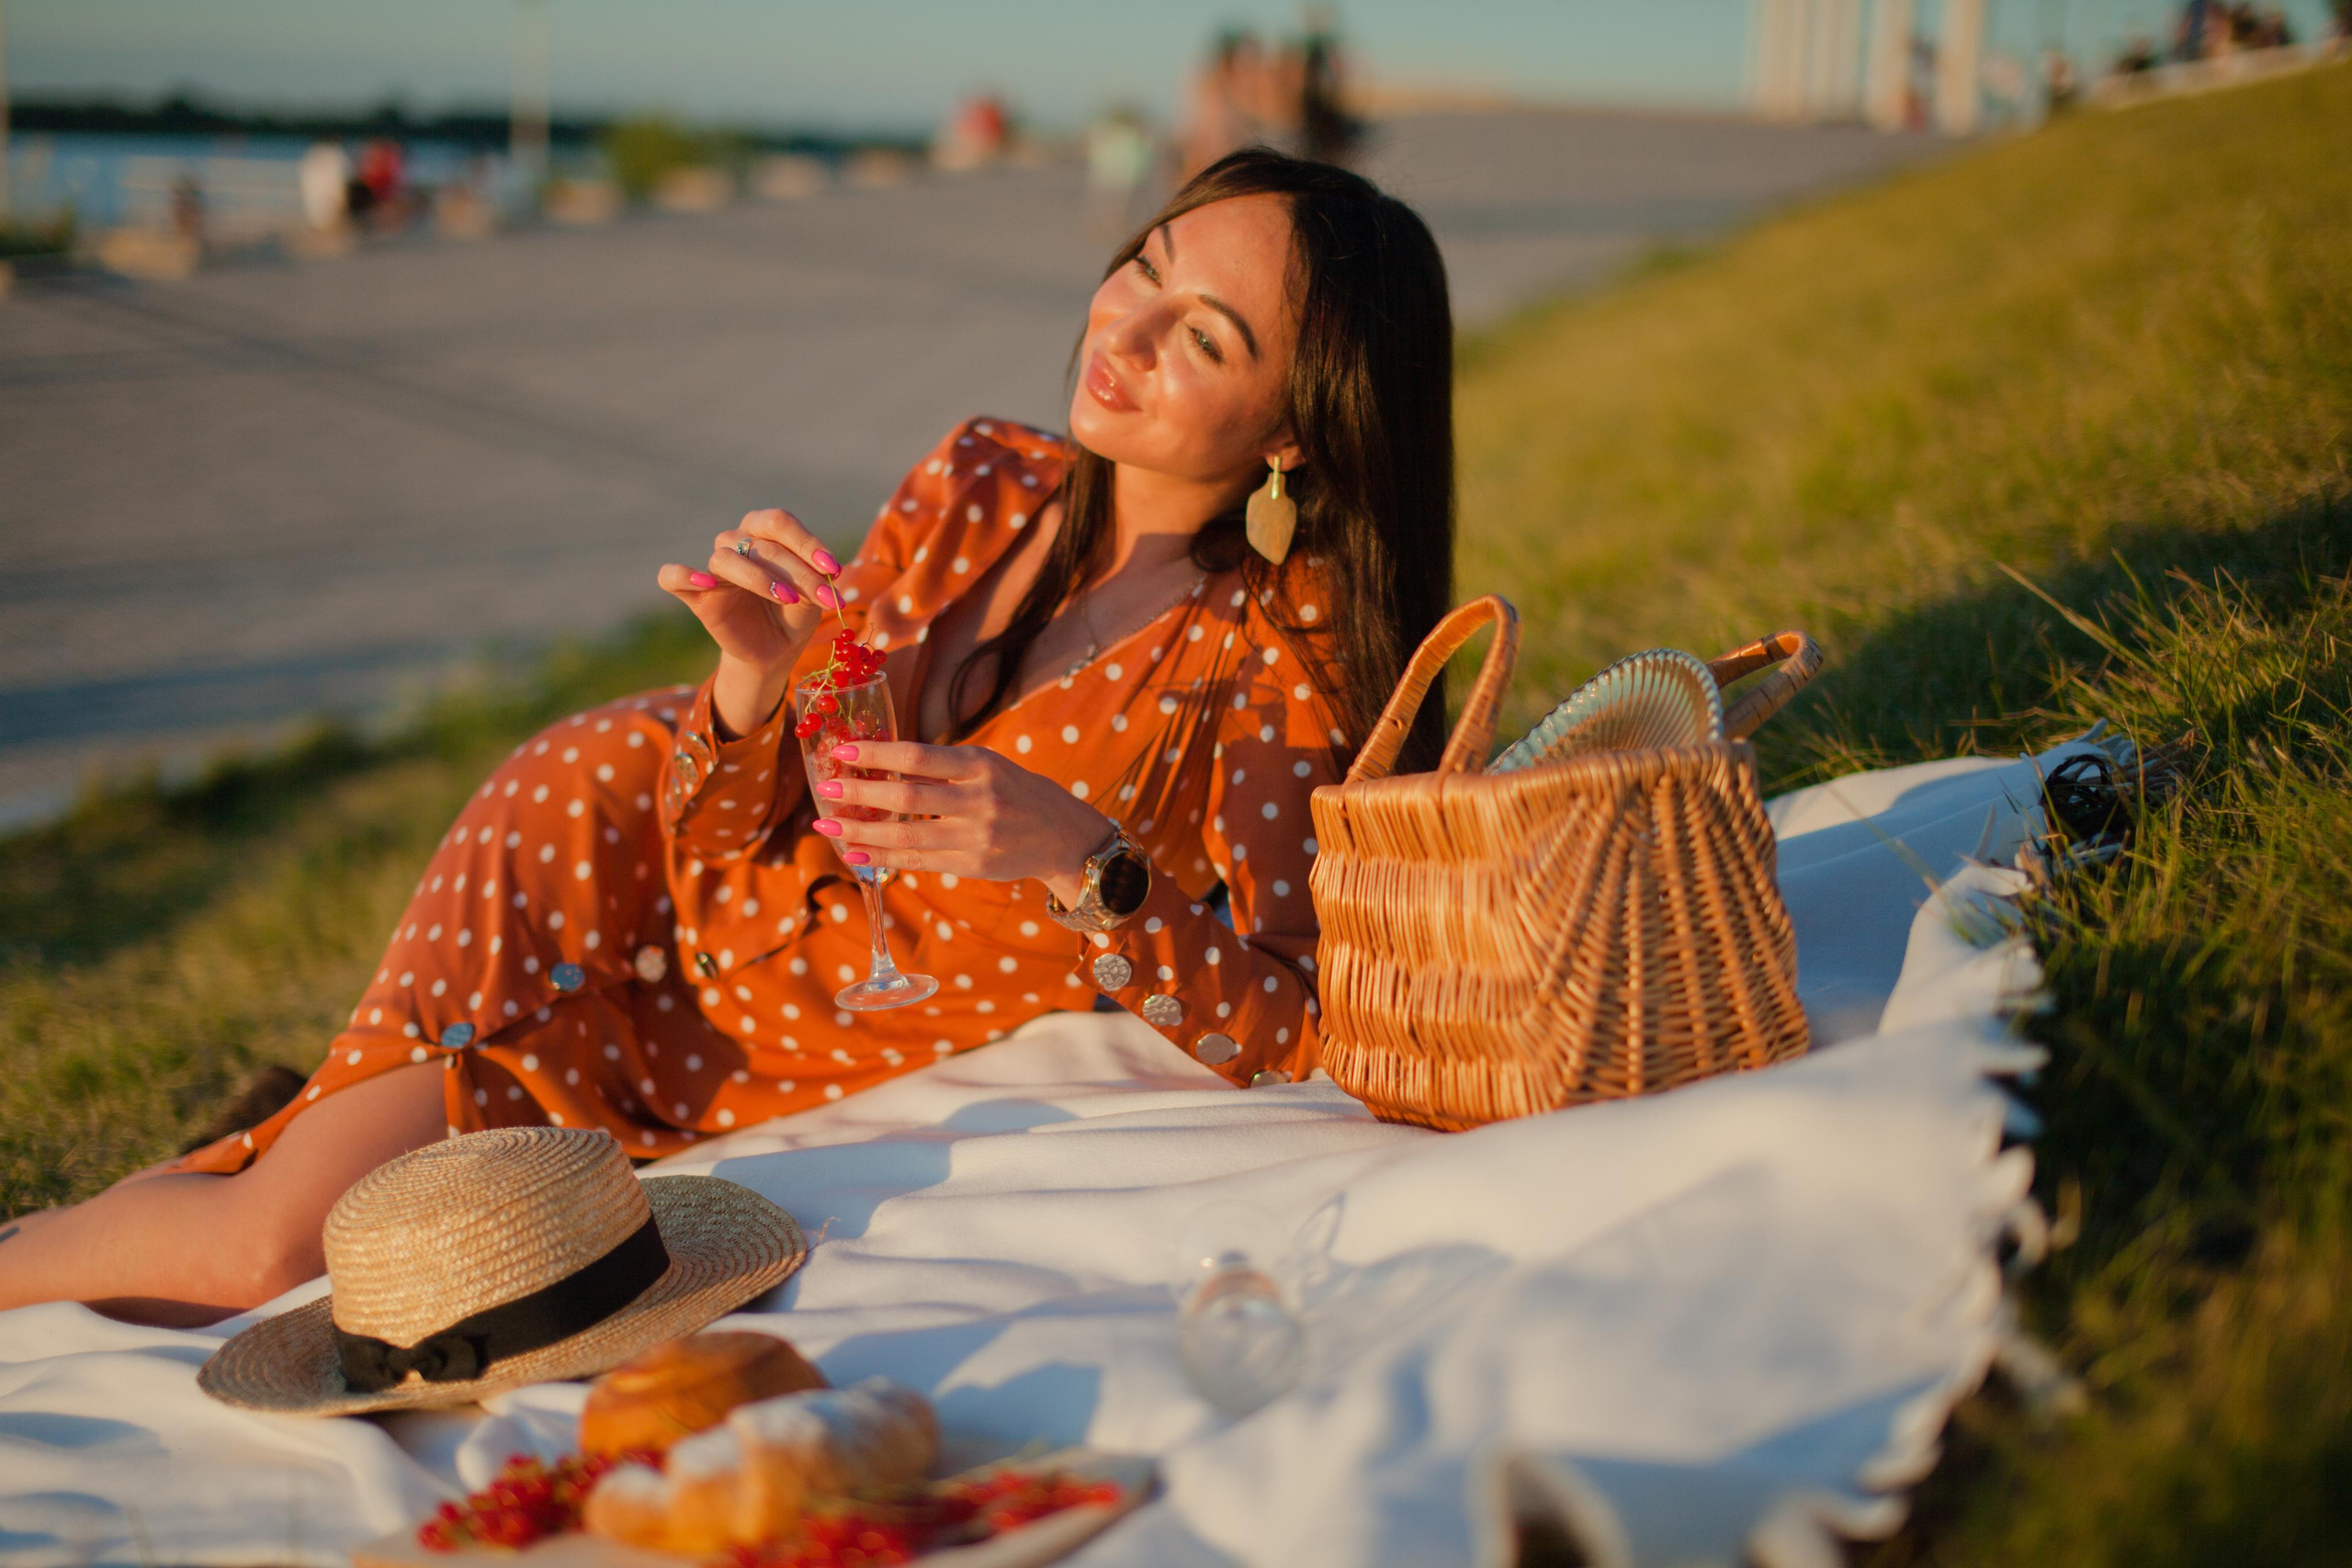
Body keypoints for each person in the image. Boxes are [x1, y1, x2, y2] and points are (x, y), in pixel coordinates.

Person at [0, 150, 1457, 1326]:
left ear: (1294, 432)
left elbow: (1303, 1025)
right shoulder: (982, 478)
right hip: (603, 854)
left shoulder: (1276, 656)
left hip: (749, 1057)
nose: (1122, 334)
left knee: (335, 1259)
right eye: (1144, 268)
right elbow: (736, 829)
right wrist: (757, 689)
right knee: (262, 1258)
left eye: (1201, 336)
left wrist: (1088, 863)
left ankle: (255, 1140)